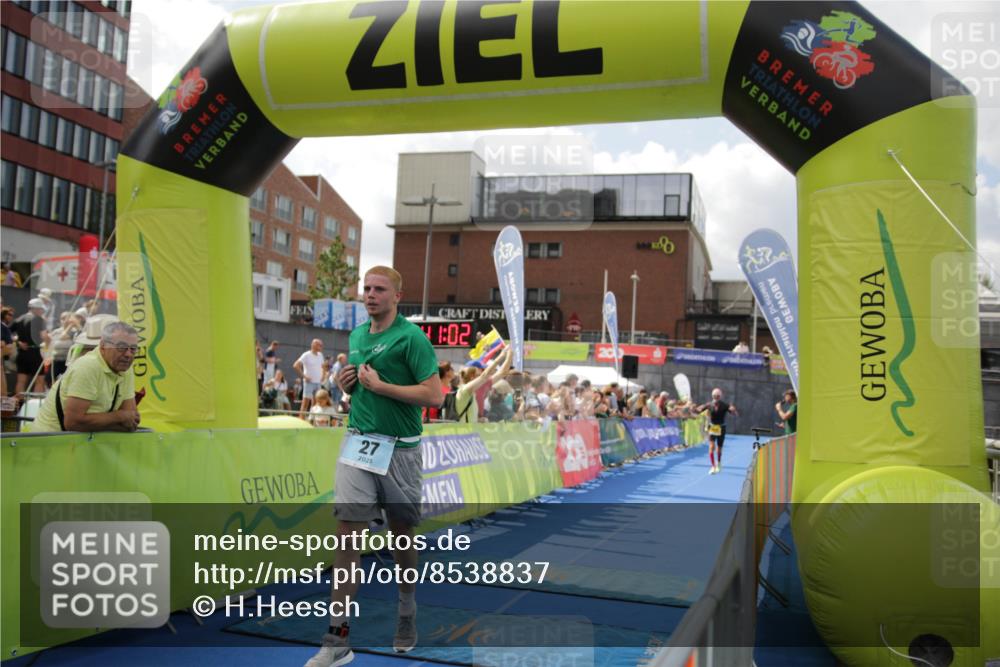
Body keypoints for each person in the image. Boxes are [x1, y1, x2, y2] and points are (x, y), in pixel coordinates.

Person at [306, 266, 442, 667]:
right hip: (359, 444)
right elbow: (359, 390)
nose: (370, 294)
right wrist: (347, 387)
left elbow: (434, 395)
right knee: (348, 536)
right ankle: (337, 637)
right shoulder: (357, 336)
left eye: (379, 289)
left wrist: (383, 387)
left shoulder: (412, 338)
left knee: (402, 538)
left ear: (397, 296)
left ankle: (407, 608)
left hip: (400, 450)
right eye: (366, 288)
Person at [31, 321, 140, 432]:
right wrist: (119, 417)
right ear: (103, 346)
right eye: (121, 347)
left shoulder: (125, 369)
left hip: (79, 440)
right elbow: (73, 423)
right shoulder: (88, 366)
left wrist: (120, 419)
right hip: (50, 439)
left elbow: (132, 419)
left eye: (133, 349)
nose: (128, 354)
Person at [695, 388, 738, 474]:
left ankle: (719, 463)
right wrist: (696, 409)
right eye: (715, 396)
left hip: (721, 428)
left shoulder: (725, 405)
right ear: (712, 396)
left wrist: (733, 410)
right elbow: (698, 411)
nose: (716, 397)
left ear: (720, 396)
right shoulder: (709, 405)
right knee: (711, 446)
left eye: (718, 396)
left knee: (719, 448)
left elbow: (734, 413)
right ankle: (713, 466)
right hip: (712, 427)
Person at [12, 298, 49, 397]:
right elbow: (44, 336)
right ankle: (35, 403)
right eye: (41, 309)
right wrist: (49, 343)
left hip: (22, 354)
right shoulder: (39, 319)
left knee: (21, 380)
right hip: (35, 353)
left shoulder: (19, 319)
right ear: (35, 309)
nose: (42, 311)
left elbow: (9, 333)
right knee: (39, 380)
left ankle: (19, 403)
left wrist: (18, 342)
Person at [294, 338, 325, 419]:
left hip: (318, 382)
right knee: (305, 403)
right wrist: (304, 376)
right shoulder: (306, 355)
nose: (321, 346)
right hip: (309, 382)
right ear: (314, 345)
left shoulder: (320, 355)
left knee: (316, 404)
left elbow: (323, 366)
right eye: (319, 345)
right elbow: (296, 365)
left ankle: (312, 420)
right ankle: (300, 421)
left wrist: (323, 375)